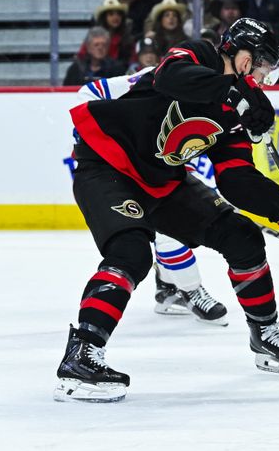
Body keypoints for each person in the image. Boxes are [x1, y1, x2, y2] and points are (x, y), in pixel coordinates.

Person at [54, 18, 279, 402]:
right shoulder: (200, 54)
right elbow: (172, 77)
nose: (263, 79)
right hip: (107, 163)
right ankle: (82, 355)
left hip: (163, 180)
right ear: (241, 56)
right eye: (261, 68)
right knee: (130, 252)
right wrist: (233, 93)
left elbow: (237, 178)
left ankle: (265, 334)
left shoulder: (240, 106)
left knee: (243, 239)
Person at [75, 66, 229, 326]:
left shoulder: (215, 95)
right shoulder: (160, 76)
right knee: (161, 235)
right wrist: (95, 135)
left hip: (152, 168)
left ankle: (167, 289)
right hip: (117, 167)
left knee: (173, 226)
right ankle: (189, 289)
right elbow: (88, 93)